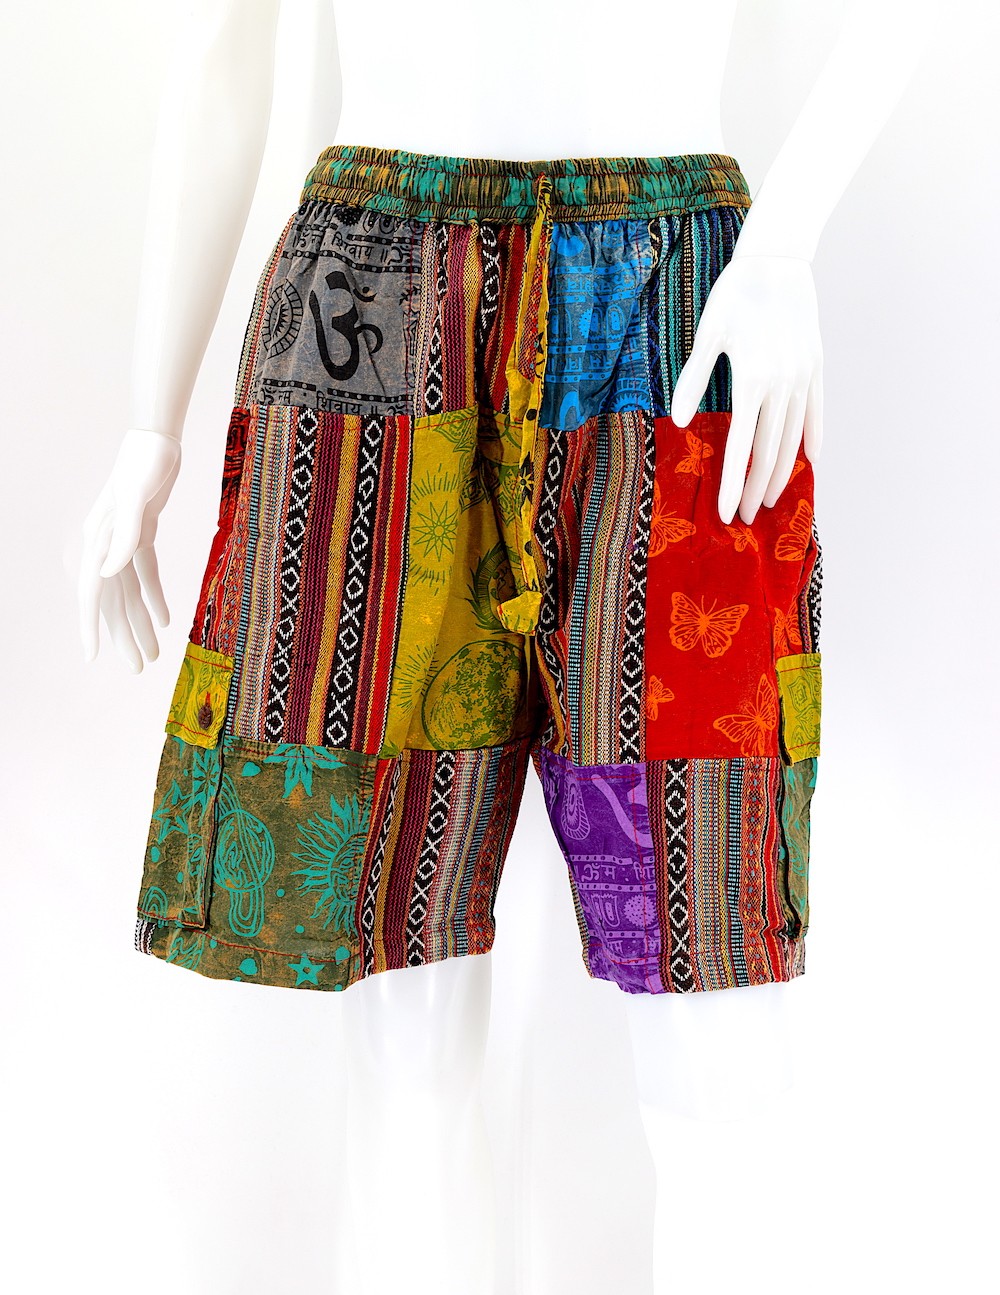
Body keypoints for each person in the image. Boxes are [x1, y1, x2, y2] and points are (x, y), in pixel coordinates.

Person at [78, 2, 938, 1291]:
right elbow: (221, 45)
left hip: (683, 311)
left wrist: (786, 244)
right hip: (373, 298)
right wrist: (149, 430)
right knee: (399, 995)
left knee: (715, 988)